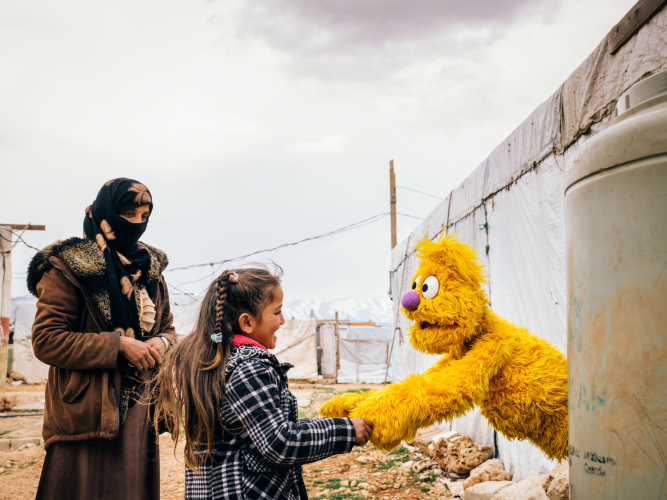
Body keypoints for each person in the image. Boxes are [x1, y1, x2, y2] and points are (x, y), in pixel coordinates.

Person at [152, 265, 373, 499]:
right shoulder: (248, 369)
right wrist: (346, 431)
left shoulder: (218, 361)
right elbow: (280, 441)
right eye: (277, 312)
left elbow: (267, 423)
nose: (283, 320)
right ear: (246, 322)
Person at [28, 178, 178, 500]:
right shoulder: (67, 266)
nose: (138, 223)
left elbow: (168, 328)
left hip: (142, 406)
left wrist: (161, 343)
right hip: (87, 409)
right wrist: (118, 345)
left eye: (145, 215)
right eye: (130, 213)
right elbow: (47, 339)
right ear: (107, 212)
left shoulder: (151, 268)